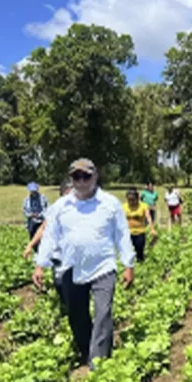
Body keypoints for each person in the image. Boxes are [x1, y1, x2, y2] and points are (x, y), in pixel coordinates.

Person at [33, 158, 135, 369]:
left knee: (103, 313)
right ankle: (86, 348)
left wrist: (128, 264)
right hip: (71, 267)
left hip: (103, 266)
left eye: (85, 176)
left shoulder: (110, 203)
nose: (81, 181)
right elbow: (50, 236)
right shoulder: (61, 206)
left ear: (95, 176)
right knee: (77, 314)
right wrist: (40, 264)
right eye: (75, 177)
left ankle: (98, 361)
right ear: (71, 179)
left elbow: (122, 234)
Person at [24, 181, 73, 316]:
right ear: (61, 196)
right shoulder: (55, 211)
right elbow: (43, 228)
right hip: (59, 257)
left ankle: (75, 312)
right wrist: (31, 245)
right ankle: (67, 307)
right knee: (59, 284)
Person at [123, 188, 157, 262]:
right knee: (128, 253)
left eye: (133, 199)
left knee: (139, 252)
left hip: (140, 233)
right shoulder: (124, 207)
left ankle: (140, 266)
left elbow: (148, 217)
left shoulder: (143, 206)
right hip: (128, 233)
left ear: (137, 198)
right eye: (129, 200)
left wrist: (152, 229)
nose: (131, 202)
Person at [22, 182, 48, 251]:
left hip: (41, 222)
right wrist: (30, 215)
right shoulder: (26, 200)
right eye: (32, 191)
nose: (33, 192)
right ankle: (34, 251)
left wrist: (39, 215)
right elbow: (24, 211)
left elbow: (48, 210)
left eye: (34, 191)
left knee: (42, 239)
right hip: (31, 222)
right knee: (32, 238)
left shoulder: (43, 198)